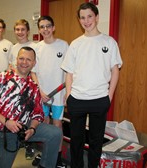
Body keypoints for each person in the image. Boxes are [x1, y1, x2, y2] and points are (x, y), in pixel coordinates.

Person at [0, 46, 62, 168]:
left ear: (34, 63)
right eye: (21, 58)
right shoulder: (1, 77)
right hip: (2, 131)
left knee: (55, 133)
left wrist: (32, 129)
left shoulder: (33, 86)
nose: (24, 62)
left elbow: (38, 113)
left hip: (24, 127)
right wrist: (6, 121)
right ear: (16, 60)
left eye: (28, 59)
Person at [61, 2, 123, 168]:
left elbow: (115, 70)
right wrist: (68, 95)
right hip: (77, 99)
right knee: (76, 141)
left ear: (96, 17)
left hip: (100, 99)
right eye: (82, 17)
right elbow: (69, 73)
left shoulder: (109, 42)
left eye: (89, 16)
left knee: (96, 141)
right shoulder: (75, 44)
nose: (86, 21)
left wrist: (108, 97)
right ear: (79, 20)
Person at [31, 15, 68, 168]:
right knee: (45, 125)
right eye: (42, 27)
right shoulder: (37, 47)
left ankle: (57, 159)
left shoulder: (64, 45)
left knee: (57, 126)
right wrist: (40, 91)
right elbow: (33, 72)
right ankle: (47, 156)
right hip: (42, 94)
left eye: (48, 26)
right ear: (39, 29)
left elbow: (69, 71)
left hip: (58, 94)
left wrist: (68, 92)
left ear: (53, 28)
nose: (45, 29)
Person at [10, 19, 37, 160]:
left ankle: (29, 145)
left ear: (28, 31)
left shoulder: (34, 46)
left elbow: (35, 70)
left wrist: (35, 88)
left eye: (22, 29)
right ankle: (16, 142)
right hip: (15, 89)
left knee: (30, 115)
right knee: (17, 115)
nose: (20, 32)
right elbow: (10, 67)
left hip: (29, 88)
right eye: (17, 29)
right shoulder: (13, 47)